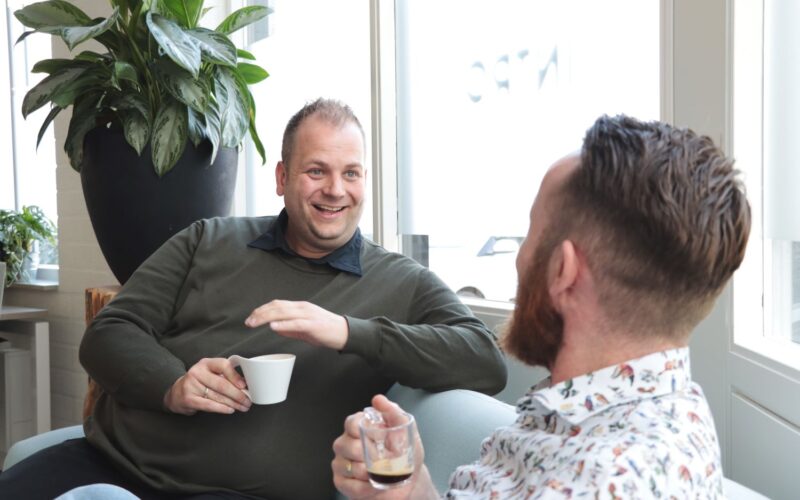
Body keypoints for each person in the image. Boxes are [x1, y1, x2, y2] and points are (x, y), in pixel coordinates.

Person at [0, 98, 507, 499]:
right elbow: (109, 333)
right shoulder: (208, 240)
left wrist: (349, 331)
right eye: (317, 171)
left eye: (351, 173)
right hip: (109, 461)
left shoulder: (401, 281)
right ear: (283, 178)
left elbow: (484, 359)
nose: (336, 190)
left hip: (231, 493)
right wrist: (173, 385)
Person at [332, 114, 751, 499]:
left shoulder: (606, 482)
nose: (519, 257)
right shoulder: (606, 403)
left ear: (563, 270)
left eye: (531, 232)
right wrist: (409, 488)